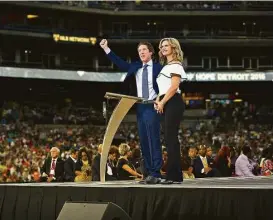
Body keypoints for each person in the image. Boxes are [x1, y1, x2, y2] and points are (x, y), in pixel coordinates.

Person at [100, 39, 162, 184]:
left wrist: (162, 100)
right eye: (139, 51)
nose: (141, 53)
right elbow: (120, 63)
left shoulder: (159, 68)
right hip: (139, 106)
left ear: (151, 52)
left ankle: (156, 173)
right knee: (144, 141)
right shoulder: (135, 66)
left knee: (153, 139)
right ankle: (147, 173)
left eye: (144, 50)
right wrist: (106, 48)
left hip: (152, 105)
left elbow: (165, 85)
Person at [154, 37, 187, 184]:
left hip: (173, 102)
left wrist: (163, 101)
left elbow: (174, 87)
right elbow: (164, 88)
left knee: (171, 138)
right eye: (161, 46)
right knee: (168, 139)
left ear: (174, 47)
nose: (163, 48)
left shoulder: (176, 65)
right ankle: (175, 175)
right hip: (166, 102)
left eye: (166, 45)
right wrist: (158, 100)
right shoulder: (166, 67)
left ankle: (174, 175)